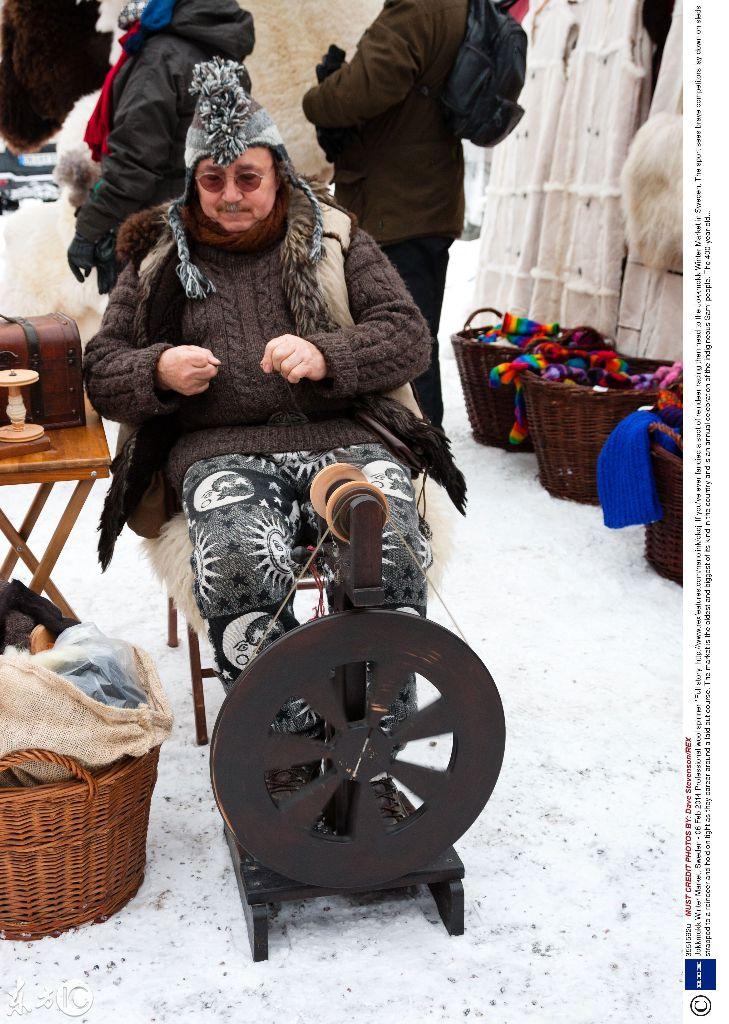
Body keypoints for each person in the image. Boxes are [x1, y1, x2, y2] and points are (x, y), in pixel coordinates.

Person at [84, 59, 466, 751]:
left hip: (346, 436)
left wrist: (328, 356)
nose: (230, 196)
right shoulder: (157, 258)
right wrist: (159, 369)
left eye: (248, 179)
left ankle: (373, 735)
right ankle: (286, 740)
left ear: (279, 174)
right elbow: (103, 368)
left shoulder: (334, 236)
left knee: (386, 539)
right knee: (237, 555)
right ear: (193, 181)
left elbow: (407, 336)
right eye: (212, 180)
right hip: (218, 450)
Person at [301, 0, 469, 427]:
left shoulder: (416, 8)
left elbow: (359, 91)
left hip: (398, 204)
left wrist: (319, 95)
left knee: (403, 342)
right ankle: (418, 447)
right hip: (421, 197)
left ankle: (419, 458)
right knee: (415, 333)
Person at [68, 0, 254, 295]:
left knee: (152, 334)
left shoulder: (160, 58)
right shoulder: (223, 55)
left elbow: (134, 164)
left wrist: (88, 229)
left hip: (162, 237)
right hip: (212, 229)